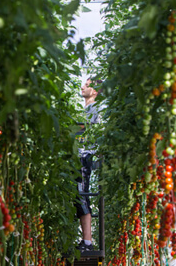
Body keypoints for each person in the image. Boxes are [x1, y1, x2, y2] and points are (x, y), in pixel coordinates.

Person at [75, 78, 103, 252]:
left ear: (95, 91)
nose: (83, 86)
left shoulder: (94, 109)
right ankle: (85, 241)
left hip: (85, 156)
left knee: (81, 193)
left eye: (87, 85)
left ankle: (87, 241)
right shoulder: (86, 109)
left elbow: (88, 133)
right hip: (81, 155)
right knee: (79, 194)